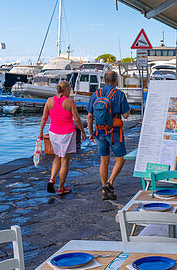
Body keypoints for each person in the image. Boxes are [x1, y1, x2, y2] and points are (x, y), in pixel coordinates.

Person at [88, 70, 130, 200]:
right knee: (120, 159)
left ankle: (104, 190)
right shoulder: (119, 94)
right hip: (115, 132)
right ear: (116, 80)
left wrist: (90, 133)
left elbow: (90, 116)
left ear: (104, 80)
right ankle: (109, 183)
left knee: (103, 160)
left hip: (99, 131)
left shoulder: (96, 94)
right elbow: (126, 115)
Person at [38, 80, 83, 196]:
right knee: (65, 160)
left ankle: (51, 179)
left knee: (57, 157)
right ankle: (61, 188)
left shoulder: (49, 101)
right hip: (67, 133)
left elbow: (44, 118)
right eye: (70, 90)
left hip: (53, 133)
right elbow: (77, 119)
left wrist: (41, 132)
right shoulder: (69, 102)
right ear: (67, 90)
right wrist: (83, 131)